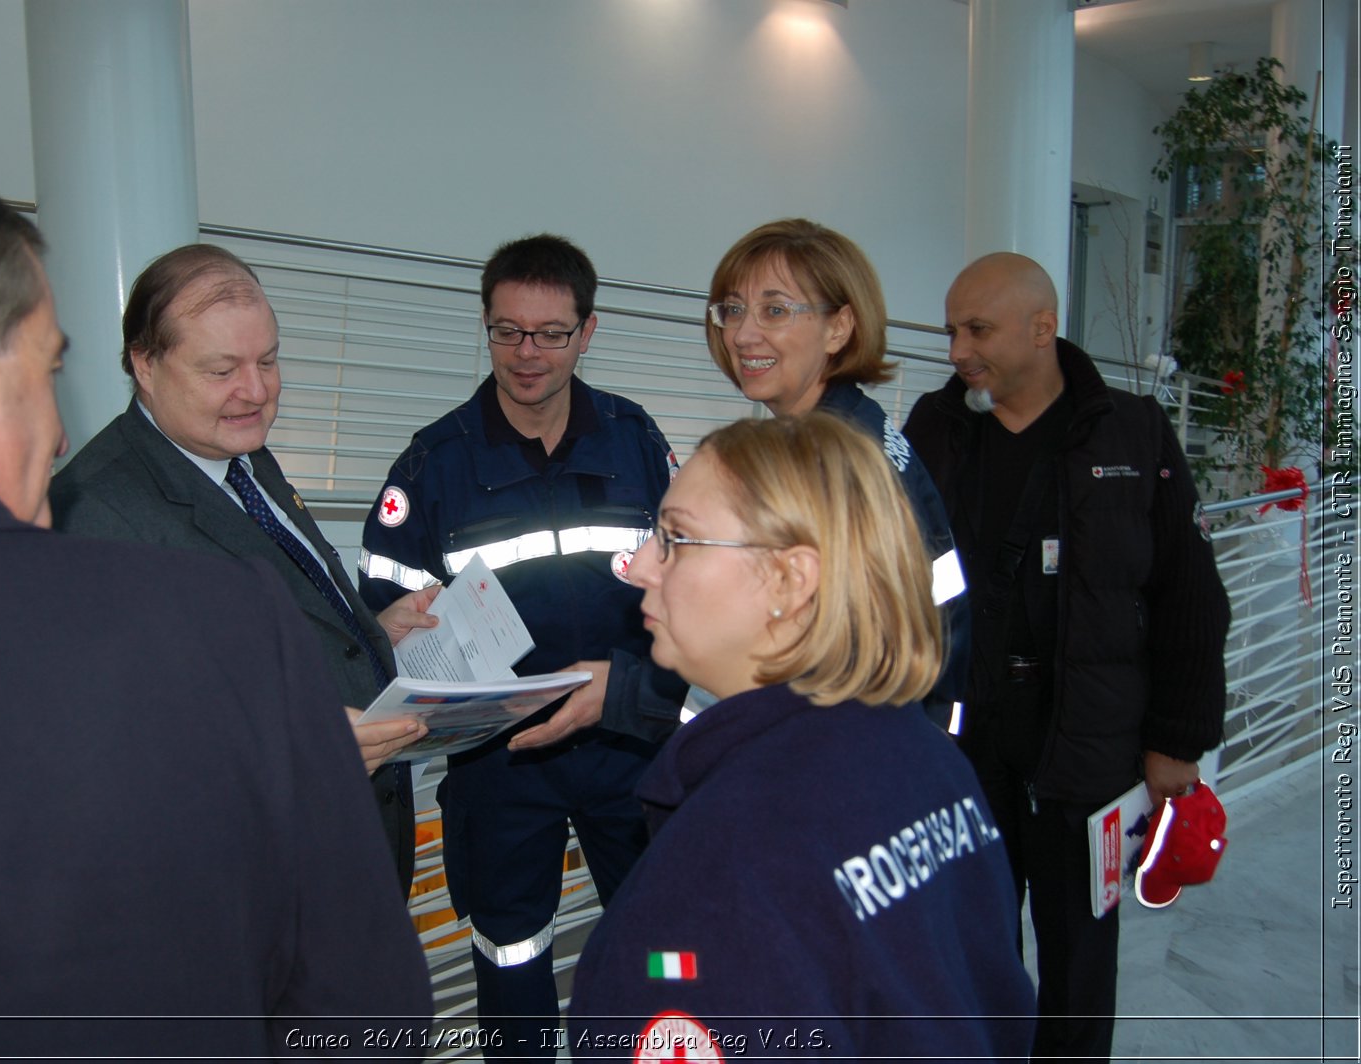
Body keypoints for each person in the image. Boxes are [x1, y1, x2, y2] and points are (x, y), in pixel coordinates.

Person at [0, 155, 431, 1058]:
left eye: (267, 362)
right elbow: (368, 1007)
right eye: (46, 368)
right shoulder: (198, 604)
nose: (64, 428)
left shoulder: (247, 487)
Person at [567, 413, 1035, 1061]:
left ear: (791, 581)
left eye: (676, 537)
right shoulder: (927, 758)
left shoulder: (717, 881)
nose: (640, 564)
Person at [357, 234, 686, 1057]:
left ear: (588, 331)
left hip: (628, 740)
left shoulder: (636, 442)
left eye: (550, 332)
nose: (527, 353)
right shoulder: (433, 467)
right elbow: (376, 622)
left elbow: (690, 589)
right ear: (487, 328)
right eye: (507, 331)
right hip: (501, 763)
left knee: (667, 943)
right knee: (512, 952)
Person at [902, 252, 1230, 1062]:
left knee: (1081, 952)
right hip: (962, 738)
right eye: (951, 331)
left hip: (1086, 743)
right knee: (972, 935)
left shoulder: (1134, 430)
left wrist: (1175, 742)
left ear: (1042, 328)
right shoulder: (933, 432)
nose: (956, 352)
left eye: (976, 330)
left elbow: (1190, 596)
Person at [50, 244, 435, 896]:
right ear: (146, 364)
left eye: (268, 361)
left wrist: (367, 633)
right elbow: (102, 748)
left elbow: (269, 618)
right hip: (243, 889)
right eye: (222, 369)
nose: (256, 391)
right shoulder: (92, 514)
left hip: (346, 854)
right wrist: (294, 750)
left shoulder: (242, 455)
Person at [704, 218, 968, 725]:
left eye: (774, 310)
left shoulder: (833, 462)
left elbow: (815, 655)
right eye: (733, 310)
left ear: (839, 328)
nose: (742, 334)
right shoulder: (851, 430)